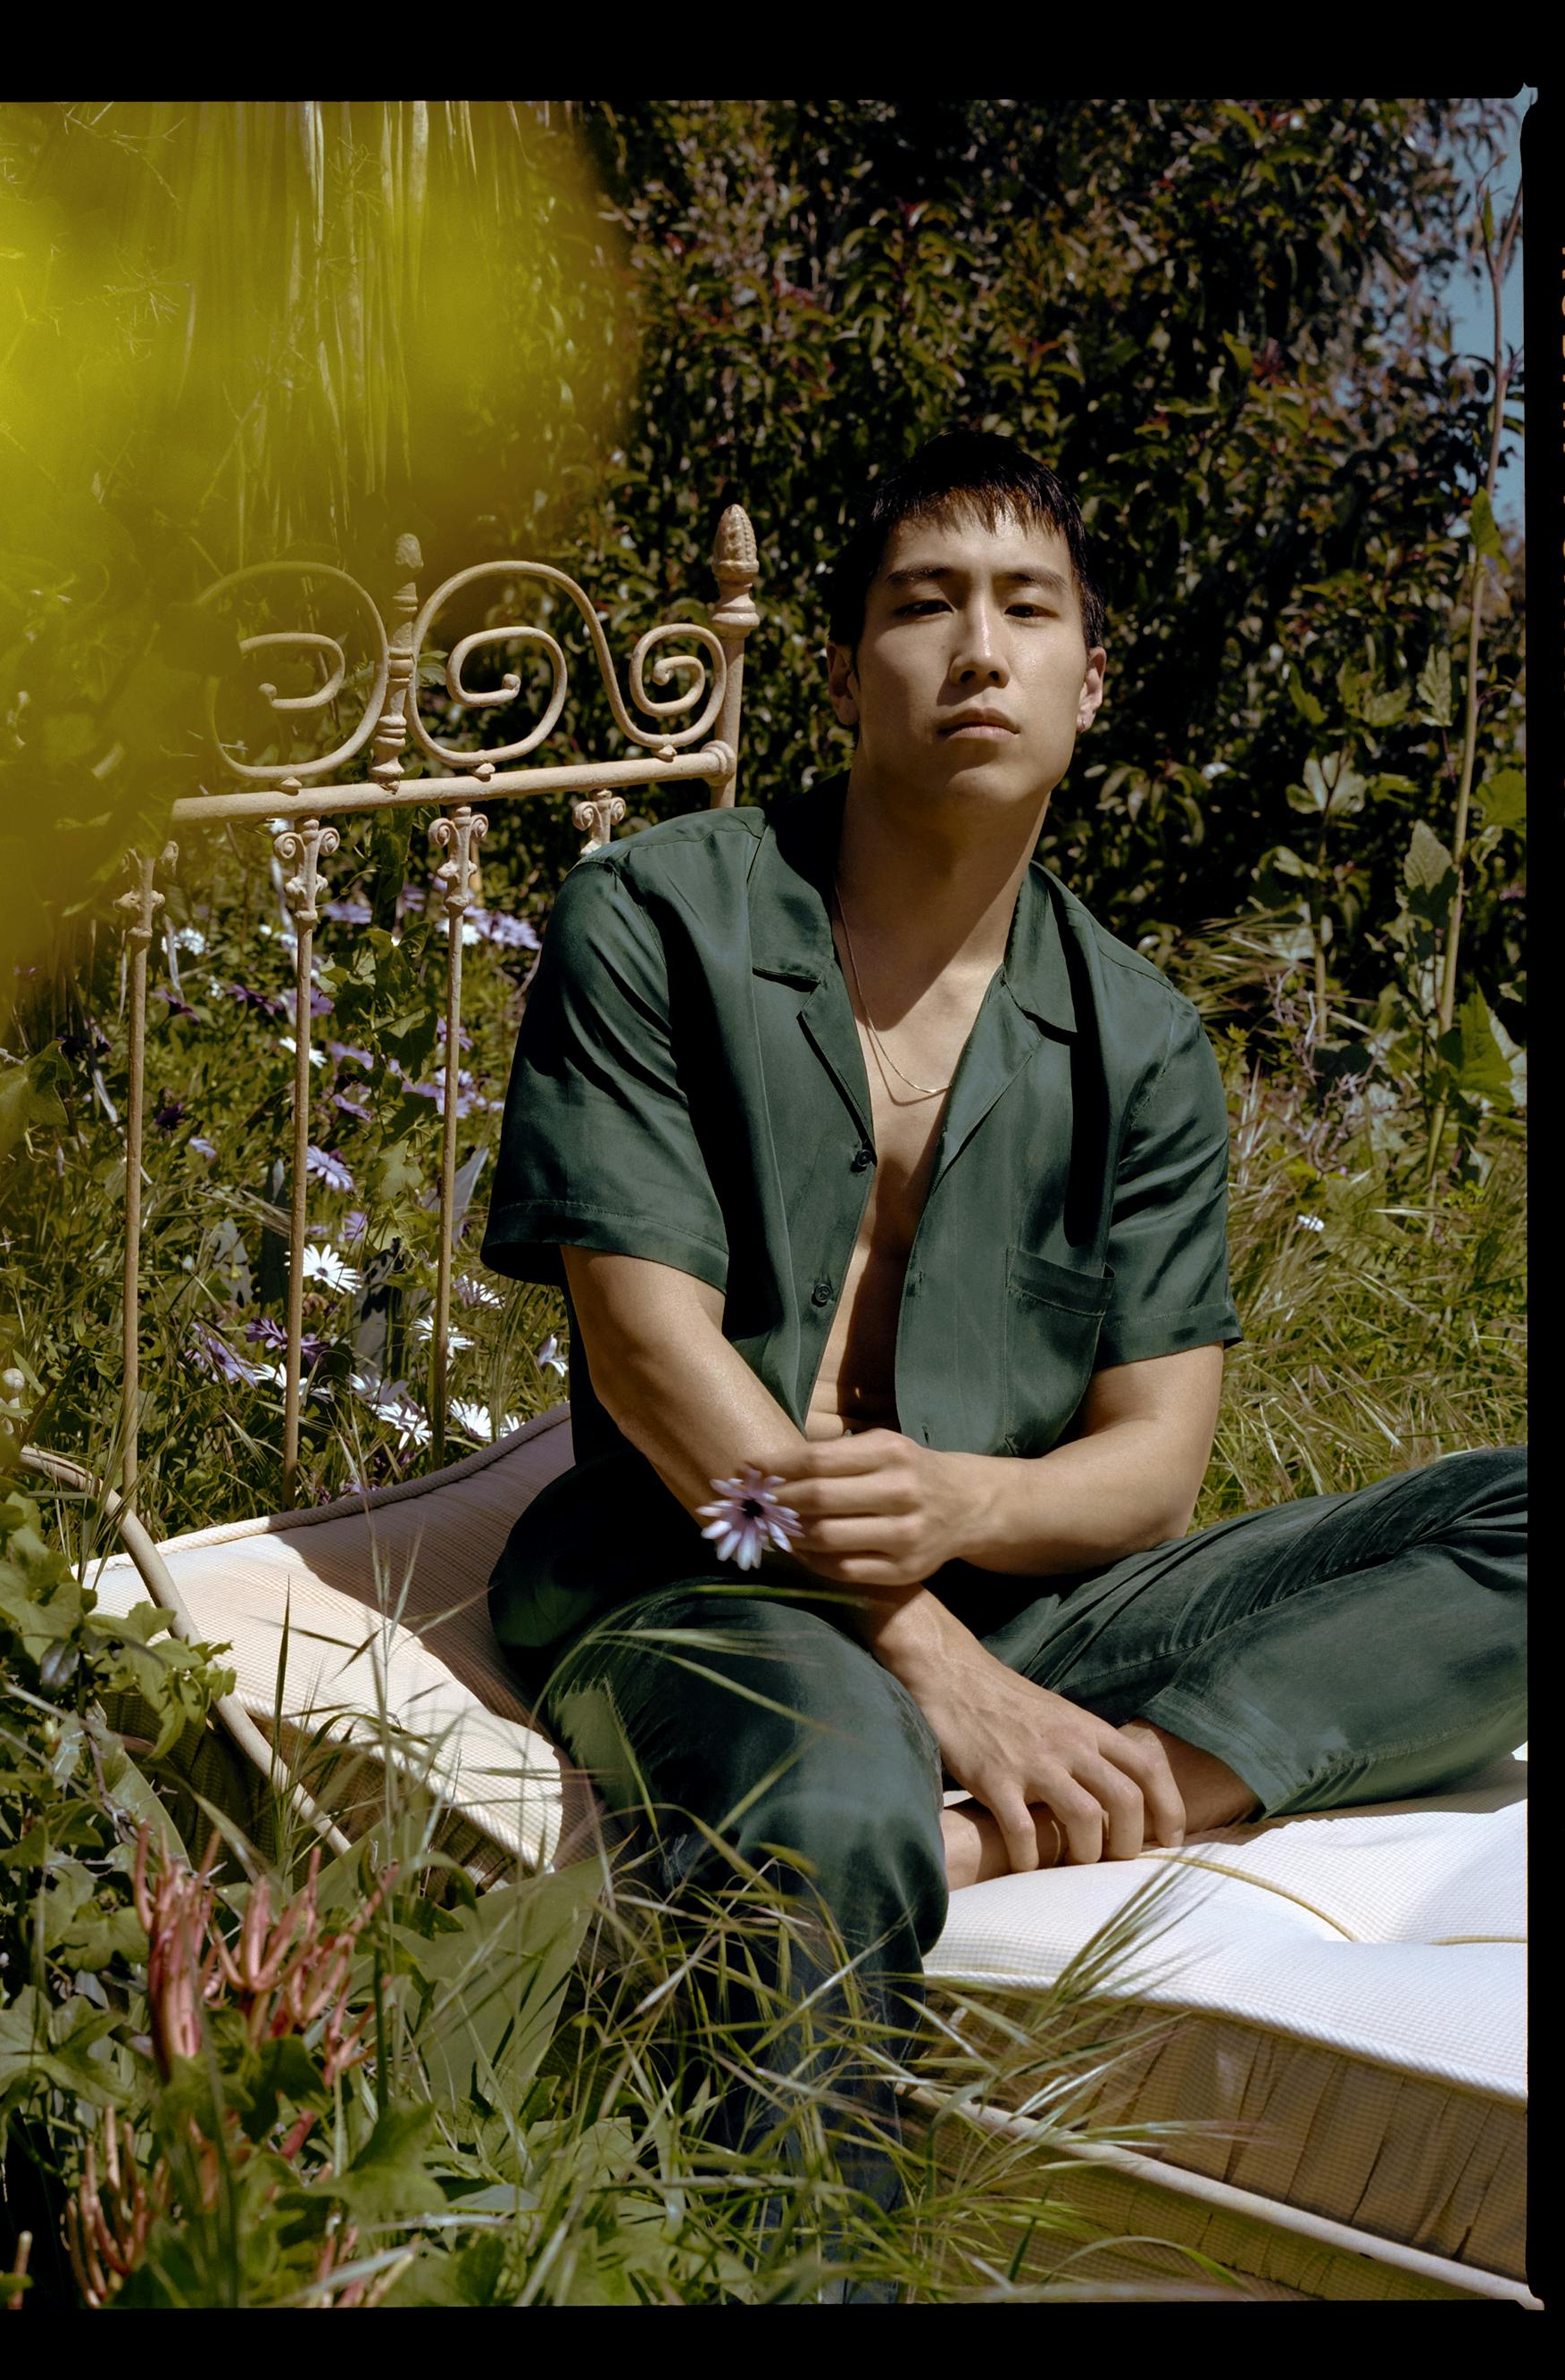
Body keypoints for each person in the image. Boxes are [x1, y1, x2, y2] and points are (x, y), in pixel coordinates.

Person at [478, 429, 1528, 2298]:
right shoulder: (656, 916)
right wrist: (921, 1652)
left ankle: (1075, 1803)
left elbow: (1154, 1467)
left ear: (1088, 682)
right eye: (920, 606)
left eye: (1025, 609)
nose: (976, 649)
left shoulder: (1136, 1034)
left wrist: (970, 1511)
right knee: (816, 1804)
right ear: (839, 670)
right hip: (699, 1573)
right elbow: (646, 1352)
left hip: (1045, 1620)